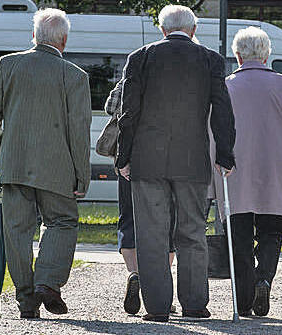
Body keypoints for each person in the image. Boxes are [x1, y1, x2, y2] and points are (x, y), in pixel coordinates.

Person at [116, 5, 236, 322]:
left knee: (152, 234)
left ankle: (156, 307)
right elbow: (223, 110)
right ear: (193, 30)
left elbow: (128, 114)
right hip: (192, 160)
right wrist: (225, 154)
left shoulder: (140, 57)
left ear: (163, 29)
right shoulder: (210, 59)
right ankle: (195, 304)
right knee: (193, 232)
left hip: (147, 159)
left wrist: (123, 157)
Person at [0, 8, 91, 319]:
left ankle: (26, 301)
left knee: (16, 230)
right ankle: (48, 283)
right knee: (62, 222)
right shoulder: (75, 77)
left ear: (34, 36)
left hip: (13, 166)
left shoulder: (7, 64)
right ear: (64, 41)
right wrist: (82, 175)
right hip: (58, 168)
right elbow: (79, 132)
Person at [212, 26, 282, 317]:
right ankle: (264, 278)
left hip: (235, 172)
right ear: (267, 54)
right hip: (274, 170)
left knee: (239, 235)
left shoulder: (226, 86)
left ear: (238, 55)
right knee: (272, 231)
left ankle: (243, 299)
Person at [103, 81, 177, 315]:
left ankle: (134, 274)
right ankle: (160, 288)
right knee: (167, 222)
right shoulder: (172, 77)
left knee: (128, 218)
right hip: (165, 159)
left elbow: (110, 107)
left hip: (130, 159)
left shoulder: (129, 78)